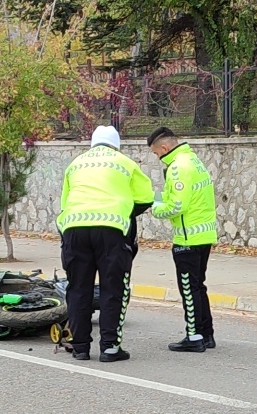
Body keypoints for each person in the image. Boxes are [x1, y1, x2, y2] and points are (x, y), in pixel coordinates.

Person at [57, 126, 155, 362]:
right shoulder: (125, 162)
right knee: (113, 288)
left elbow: (65, 202)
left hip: (74, 229)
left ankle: (80, 347)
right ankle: (110, 347)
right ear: (116, 144)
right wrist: (126, 212)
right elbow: (145, 198)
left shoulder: (76, 164)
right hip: (111, 230)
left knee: (78, 288)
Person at [147, 127, 218, 353]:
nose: (157, 158)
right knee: (199, 286)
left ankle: (194, 336)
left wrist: (155, 208)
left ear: (165, 148)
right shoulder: (194, 161)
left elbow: (177, 205)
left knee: (188, 289)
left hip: (187, 237)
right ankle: (207, 335)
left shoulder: (178, 167)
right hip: (204, 234)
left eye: (156, 153)